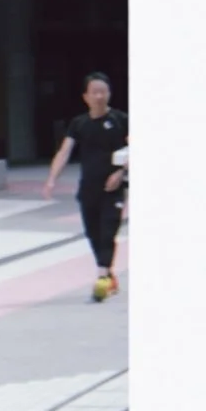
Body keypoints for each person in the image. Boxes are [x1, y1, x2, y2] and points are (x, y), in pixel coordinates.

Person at [44, 73, 129, 301]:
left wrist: (121, 173)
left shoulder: (121, 120)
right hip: (88, 188)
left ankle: (101, 278)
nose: (99, 96)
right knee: (93, 234)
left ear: (109, 93)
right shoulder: (79, 124)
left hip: (113, 188)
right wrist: (52, 178)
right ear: (86, 97)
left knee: (108, 231)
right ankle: (108, 274)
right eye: (95, 92)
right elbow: (65, 151)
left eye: (103, 91)